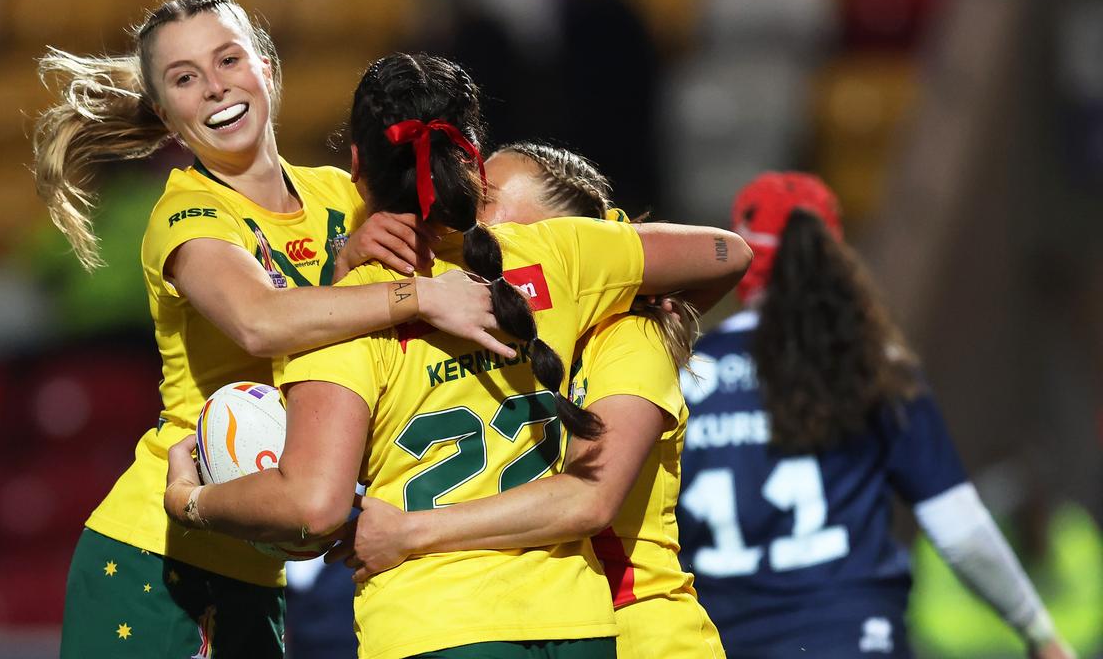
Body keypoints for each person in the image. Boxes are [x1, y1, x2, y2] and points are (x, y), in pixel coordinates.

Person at [162, 52, 751, 659]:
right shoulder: (564, 258)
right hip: (576, 620)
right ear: (467, 159)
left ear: (357, 167)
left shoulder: (338, 316)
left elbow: (314, 505)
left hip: (435, 626)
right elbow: (727, 253)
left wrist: (191, 501)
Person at [33, 0, 515, 659]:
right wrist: (416, 296)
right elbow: (260, 323)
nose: (214, 86)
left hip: (262, 556)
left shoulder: (341, 195)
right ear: (167, 114)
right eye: (184, 78)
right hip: (155, 553)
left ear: (265, 68)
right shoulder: (187, 215)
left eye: (227, 59)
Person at [323, 142, 725, 659]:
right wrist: (348, 271)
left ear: (571, 235)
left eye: (486, 203)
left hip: (643, 630)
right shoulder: (484, 339)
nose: (467, 216)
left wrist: (407, 532)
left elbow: (589, 499)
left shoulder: (629, 336)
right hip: (549, 625)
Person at [674, 172, 1075, 659]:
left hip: (722, 639)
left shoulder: (686, 374)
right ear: (834, 252)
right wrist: (1037, 630)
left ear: (741, 261)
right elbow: (959, 526)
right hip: (851, 633)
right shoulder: (870, 363)